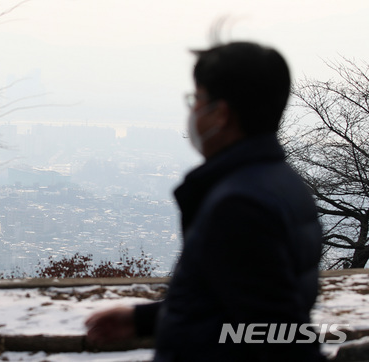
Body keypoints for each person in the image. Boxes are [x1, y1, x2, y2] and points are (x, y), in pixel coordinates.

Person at [85, 41, 324, 361]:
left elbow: (283, 337)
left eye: (197, 99)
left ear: (220, 114)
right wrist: (144, 319)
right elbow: (237, 305)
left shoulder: (239, 207)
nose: (193, 111)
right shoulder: (283, 183)